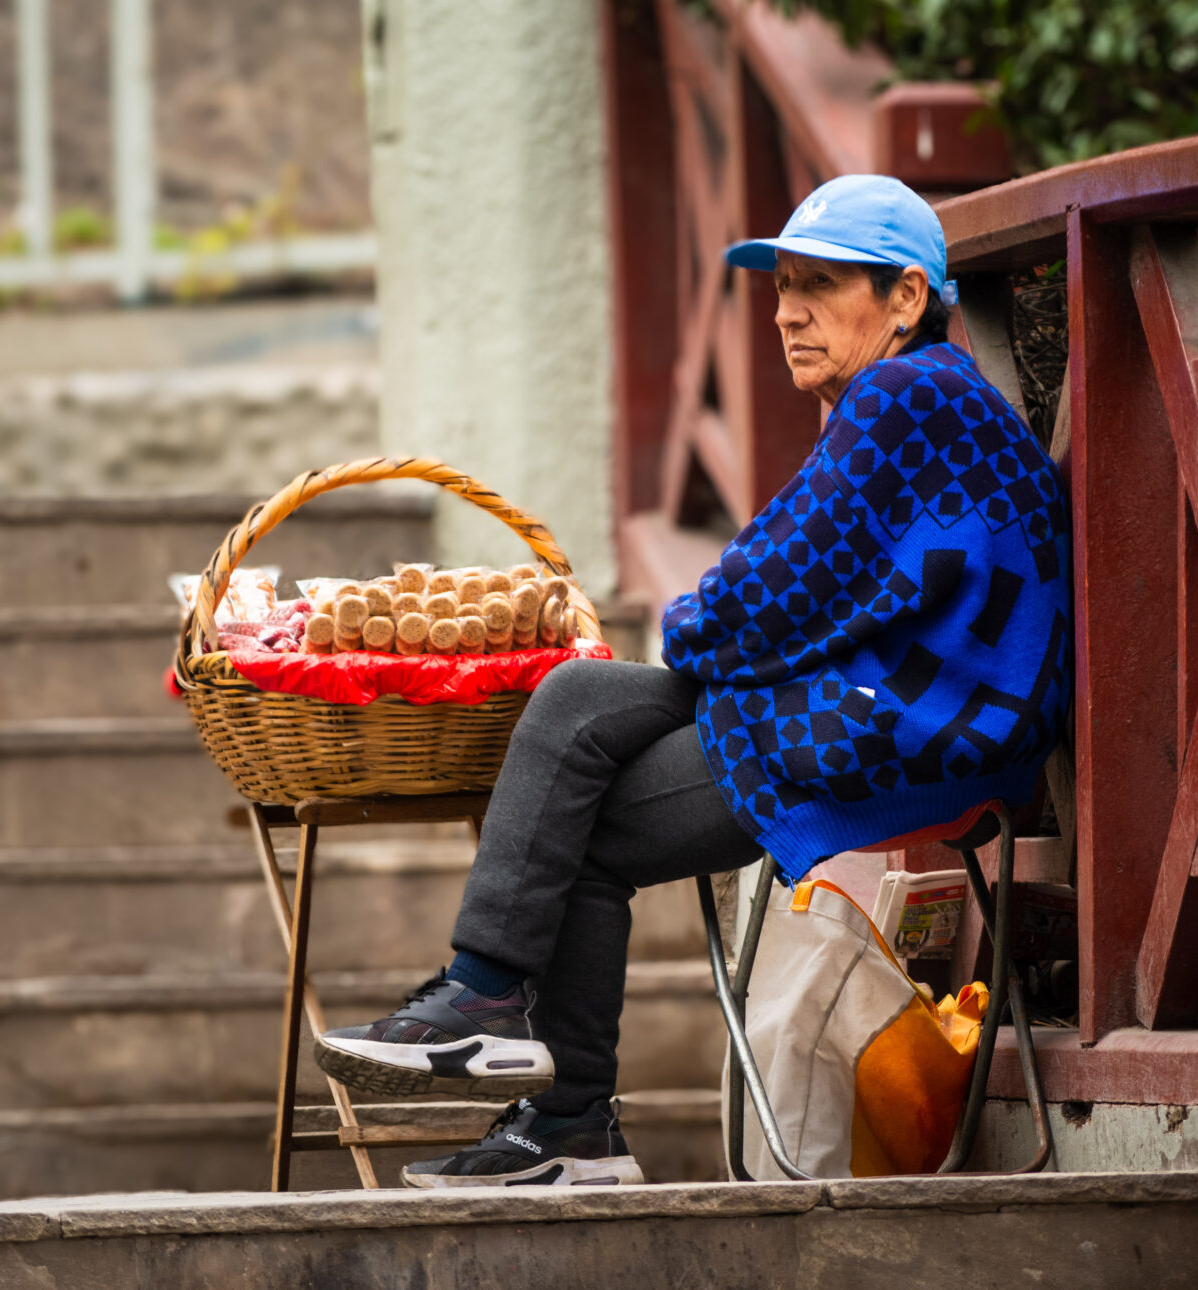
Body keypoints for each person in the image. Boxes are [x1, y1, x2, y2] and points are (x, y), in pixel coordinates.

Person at [313, 174, 1071, 1188]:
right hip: (884, 708)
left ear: (904, 297)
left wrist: (693, 628)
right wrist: (713, 635)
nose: (788, 311)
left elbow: (766, 588)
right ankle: (504, 1029)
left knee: (574, 794)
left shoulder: (906, 394)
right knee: (576, 714)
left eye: (822, 284)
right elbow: (799, 588)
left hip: (907, 733)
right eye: (782, 286)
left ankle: (543, 1079)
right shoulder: (914, 399)